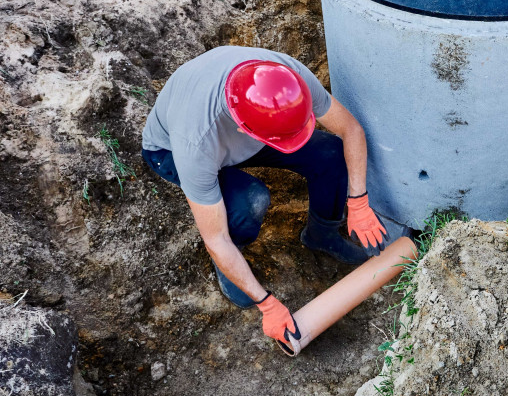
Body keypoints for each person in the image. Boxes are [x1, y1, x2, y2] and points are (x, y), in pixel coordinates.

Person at [140, 46, 389, 351]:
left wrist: (358, 202)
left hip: (256, 131)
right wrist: (267, 304)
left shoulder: (289, 80)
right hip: (168, 151)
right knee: (251, 200)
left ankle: (321, 234)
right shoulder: (196, 143)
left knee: (330, 153)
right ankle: (230, 266)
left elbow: (350, 129)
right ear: (246, 129)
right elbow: (215, 238)